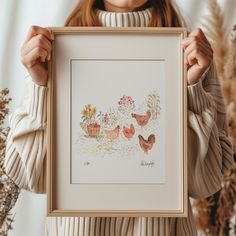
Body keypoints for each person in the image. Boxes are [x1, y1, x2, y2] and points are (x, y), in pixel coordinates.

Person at [4, 0, 234, 235]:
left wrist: (192, 85)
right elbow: (26, 174)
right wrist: (40, 85)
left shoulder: (190, 52)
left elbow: (207, 181)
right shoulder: (59, 50)